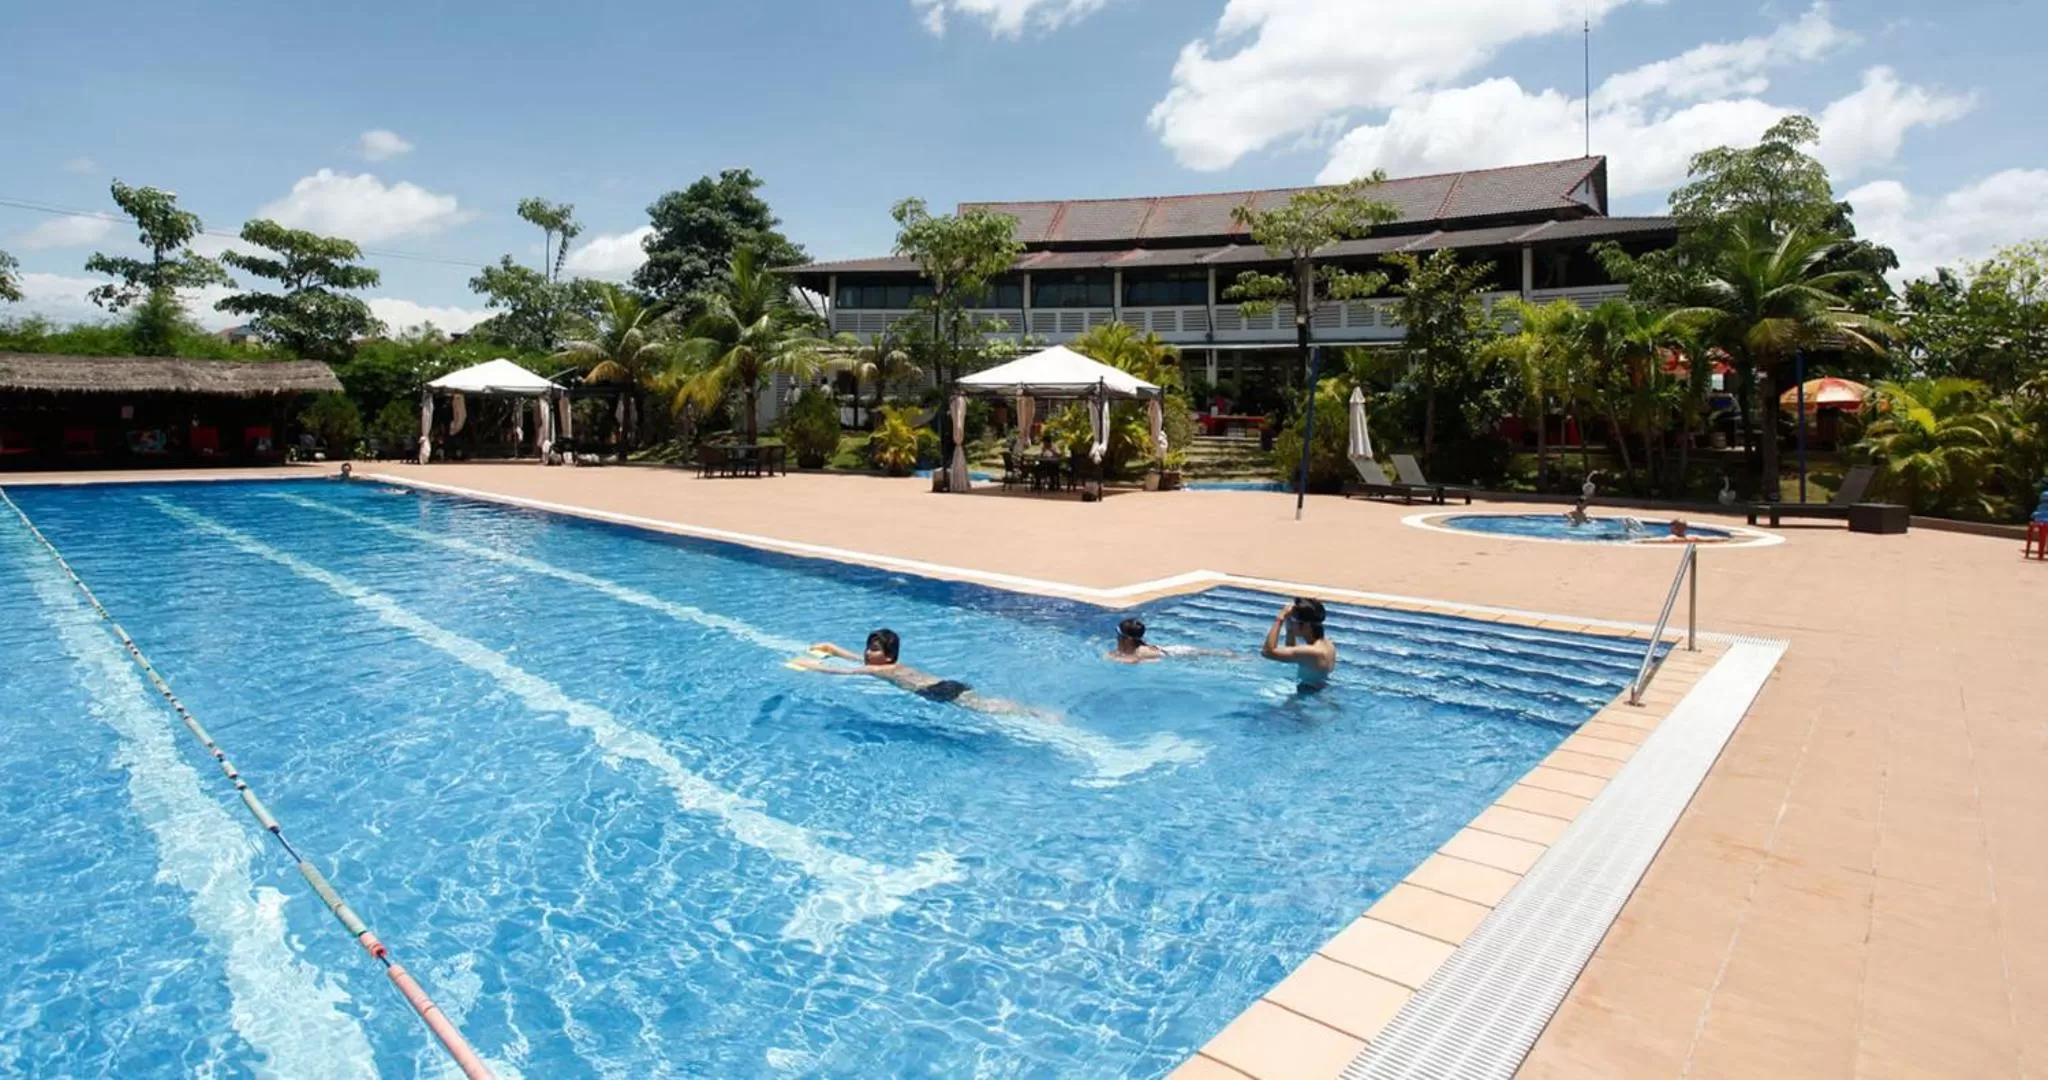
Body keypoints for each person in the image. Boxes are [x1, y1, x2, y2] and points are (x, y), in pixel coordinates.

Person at [797, 629, 1039, 716]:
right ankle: (1031, 710)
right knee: (985, 703)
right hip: (944, 684)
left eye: (873, 650)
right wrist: (832, 647)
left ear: (888, 656)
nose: (867, 653)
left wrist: (813, 667)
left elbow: (844, 672)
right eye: (868, 648)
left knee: (986, 708)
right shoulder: (886, 665)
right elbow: (854, 658)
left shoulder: (881, 668)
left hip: (937, 690)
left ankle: (1033, 713)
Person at [1262, 597, 1337, 690]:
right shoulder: (1328, 644)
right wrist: (1290, 627)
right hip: (1314, 692)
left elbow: (1267, 652)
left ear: (1306, 625)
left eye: (1294, 620)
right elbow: (1291, 649)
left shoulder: (1313, 652)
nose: (1292, 622)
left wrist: (1279, 619)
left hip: (1308, 699)